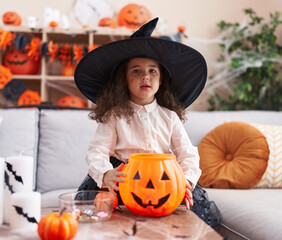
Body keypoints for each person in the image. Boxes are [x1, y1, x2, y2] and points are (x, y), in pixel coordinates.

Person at [74, 17, 221, 228]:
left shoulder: (169, 117)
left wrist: (185, 181)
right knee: (97, 214)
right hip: (124, 179)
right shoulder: (114, 116)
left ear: (161, 80)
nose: (145, 77)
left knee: (192, 217)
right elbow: (97, 150)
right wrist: (106, 174)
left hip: (163, 180)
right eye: (136, 71)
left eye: (152, 71)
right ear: (124, 79)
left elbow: (187, 152)